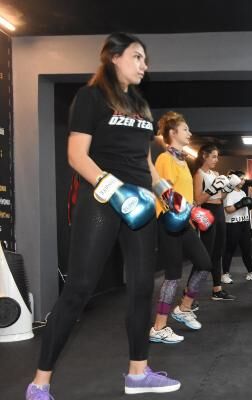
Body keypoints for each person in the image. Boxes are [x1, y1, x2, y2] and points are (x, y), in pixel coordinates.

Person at [26, 33, 180, 400]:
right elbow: (77, 155)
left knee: (142, 287)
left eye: (145, 59)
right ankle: (39, 383)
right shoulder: (91, 97)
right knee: (79, 287)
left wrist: (163, 189)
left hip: (141, 203)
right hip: (103, 200)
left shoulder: (140, 105)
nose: (144, 65)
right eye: (137, 57)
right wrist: (115, 189)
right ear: (114, 57)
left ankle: (138, 374)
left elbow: (143, 160)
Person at [149, 111, 216, 344]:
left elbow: (185, 195)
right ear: (172, 132)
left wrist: (193, 211)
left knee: (204, 263)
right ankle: (159, 327)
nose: (189, 133)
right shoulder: (165, 159)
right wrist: (192, 211)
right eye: (185, 129)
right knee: (173, 276)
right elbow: (166, 195)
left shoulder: (182, 160)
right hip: (169, 222)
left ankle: (184, 308)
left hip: (184, 222)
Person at [191, 144, 239, 300]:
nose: (216, 160)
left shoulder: (216, 174)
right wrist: (212, 188)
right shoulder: (199, 174)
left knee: (218, 251)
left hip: (219, 211)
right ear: (204, 156)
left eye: (217, 157)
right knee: (206, 253)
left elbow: (221, 197)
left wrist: (228, 188)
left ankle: (217, 290)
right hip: (207, 211)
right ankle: (188, 292)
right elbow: (198, 199)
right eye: (213, 156)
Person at [221, 170, 252, 283]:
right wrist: (240, 204)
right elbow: (228, 209)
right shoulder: (229, 192)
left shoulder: (242, 193)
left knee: (246, 249)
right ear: (235, 179)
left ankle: (251, 273)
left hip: (244, 223)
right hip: (233, 224)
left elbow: (245, 207)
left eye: (244, 179)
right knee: (230, 249)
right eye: (241, 179)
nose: (243, 181)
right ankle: (225, 274)